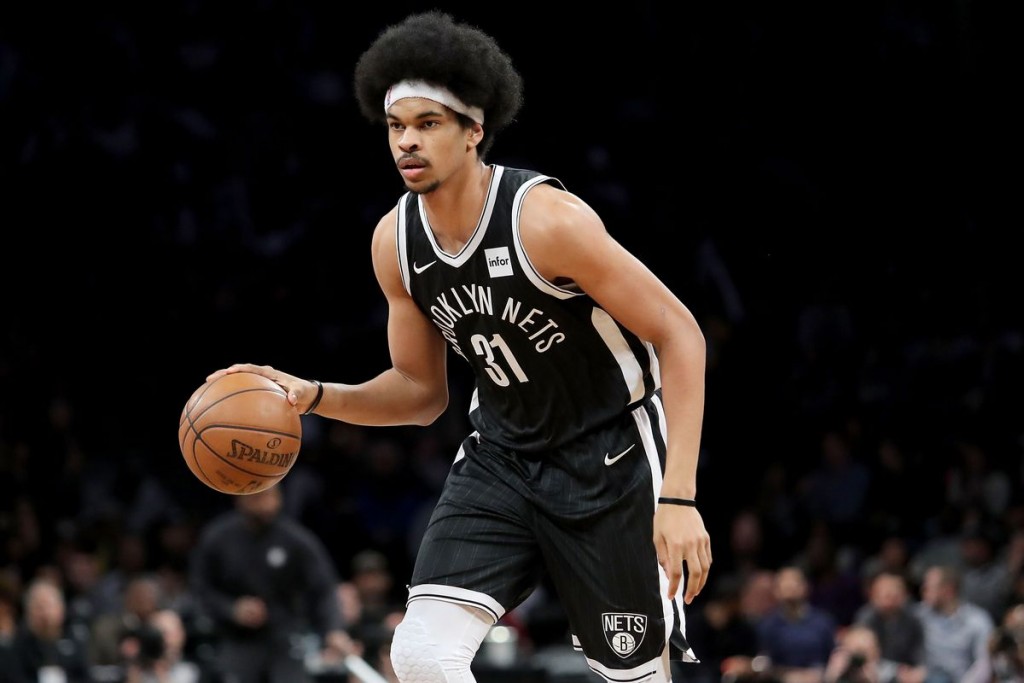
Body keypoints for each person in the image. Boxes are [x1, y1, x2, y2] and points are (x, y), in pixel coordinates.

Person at [206, 10, 712, 682]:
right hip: (500, 458)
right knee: (419, 655)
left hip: (609, 455)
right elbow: (420, 393)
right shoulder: (397, 242)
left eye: (428, 124)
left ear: (474, 131)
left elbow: (679, 335)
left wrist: (678, 496)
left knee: (634, 674)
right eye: (395, 127)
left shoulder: (546, 221)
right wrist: (314, 396)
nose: (406, 143)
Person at [187, 485, 355, 683]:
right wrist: (231, 609)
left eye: (271, 495)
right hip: (236, 638)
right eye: (258, 497)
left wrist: (333, 629)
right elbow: (200, 588)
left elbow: (324, 589)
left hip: (285, 636)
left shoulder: (296, 540)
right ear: (240, 498)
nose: (266, 504)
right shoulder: (217, 537)